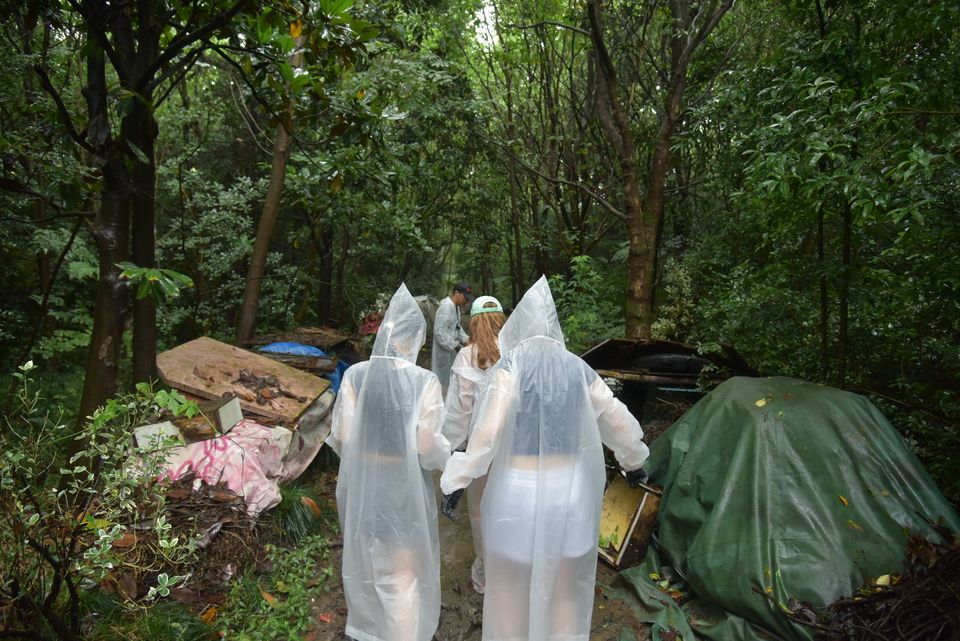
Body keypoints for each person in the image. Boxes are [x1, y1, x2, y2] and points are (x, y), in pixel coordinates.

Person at [439, 276, 649, 641]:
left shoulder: (510, 369)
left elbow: (486, 435)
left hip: (516, 497)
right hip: (569, 496)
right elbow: (614, 416)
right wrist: (634, 460)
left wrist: (457, 478)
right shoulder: (577, 368)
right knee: (565, 590)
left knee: (509, 594)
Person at [325, 283, 450, 641]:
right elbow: (427, 446)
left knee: (367, 560)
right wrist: (449, 463)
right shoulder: (424, 382)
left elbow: (343, 436)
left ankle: (370, 630)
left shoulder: (355, 376)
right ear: (413, 342)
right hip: (403, 489)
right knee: (404, 573)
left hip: (364, 487)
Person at [441, 295, 506, 595]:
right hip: (512, 448)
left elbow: (459, 413)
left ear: (474, 321)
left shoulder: (467, 356)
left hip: (481, 450)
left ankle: (486, 575)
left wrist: (454, 459)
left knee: (480, 511)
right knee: (510, 507)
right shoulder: (515, 352)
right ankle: (513, 570)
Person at [432, 281, 474, 396]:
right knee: (441, 384)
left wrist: (468, 340)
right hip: (443, 354)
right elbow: (439, 332)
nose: (467, 301)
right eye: (465, 297)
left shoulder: (456, 308)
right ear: (456, 293)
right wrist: (456, 345)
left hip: (450, 353)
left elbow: (457, 328)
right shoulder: (446, 307)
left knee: (450, 382)